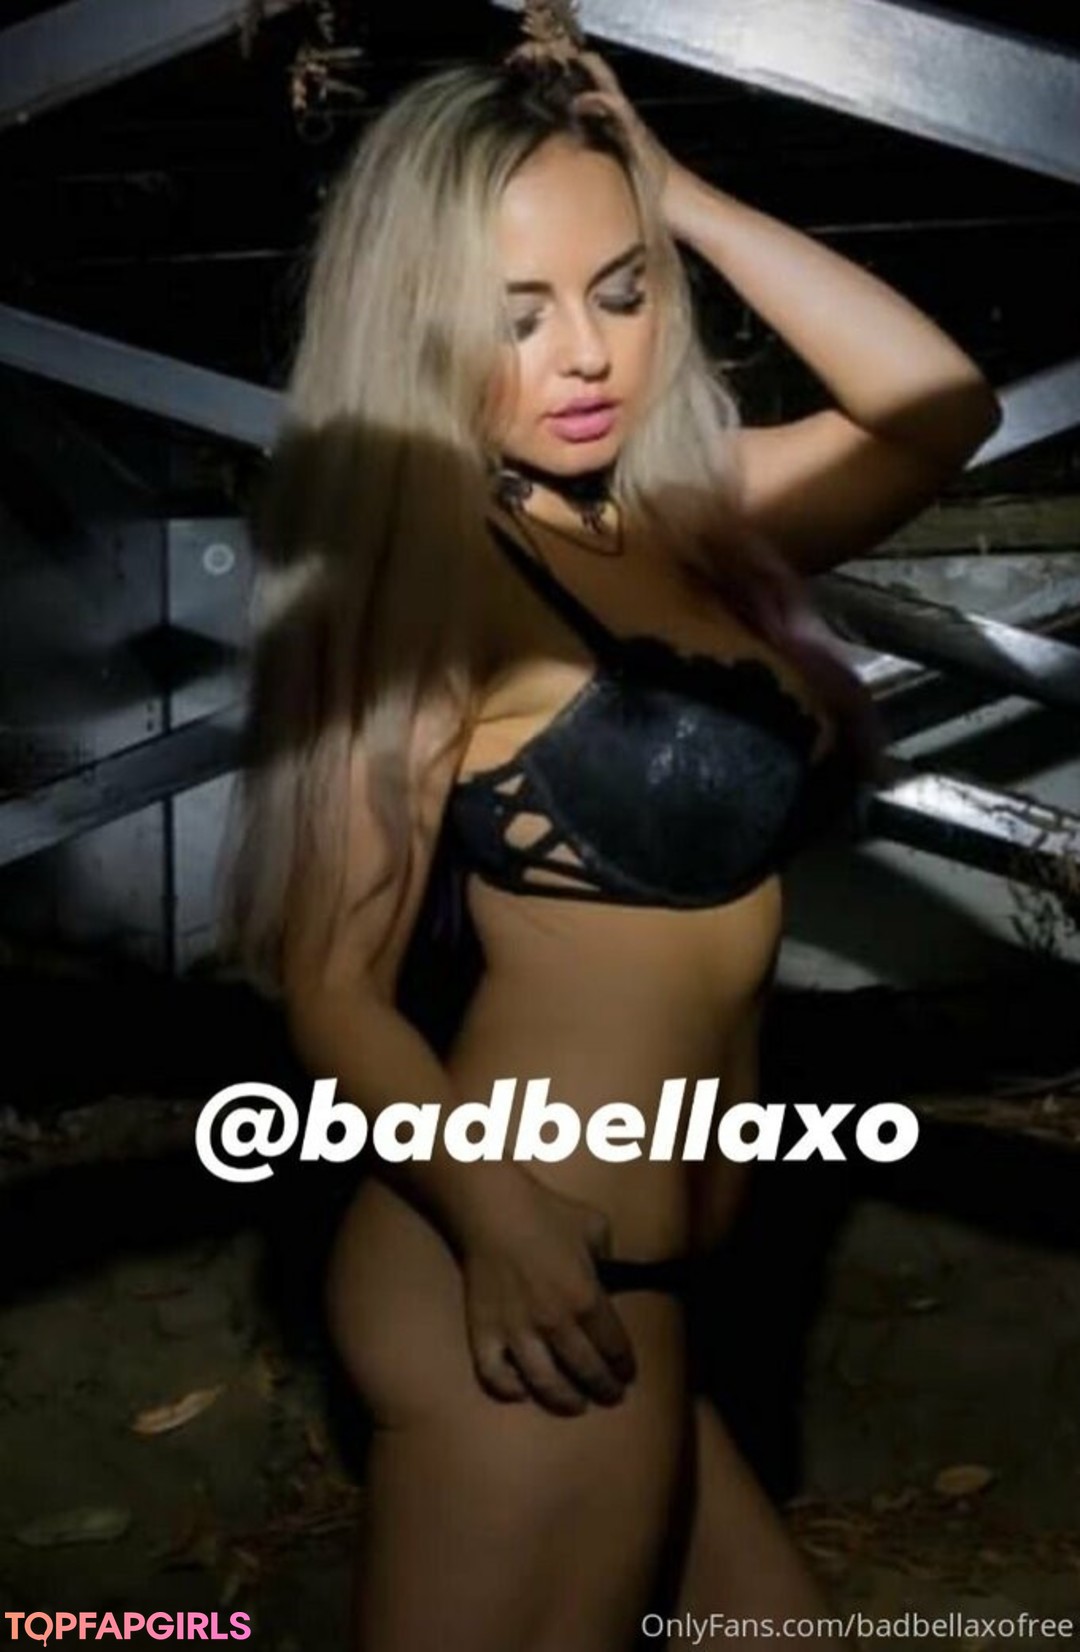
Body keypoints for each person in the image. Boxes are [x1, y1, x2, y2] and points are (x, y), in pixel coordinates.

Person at [216, 17, 1001, 1651]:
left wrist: (679, 193)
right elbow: (332, 987)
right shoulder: (428, 580)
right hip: (527, 1280)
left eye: (620, 293)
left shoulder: (678, 522)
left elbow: (938, 408)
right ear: (420, 323)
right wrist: (500, 1224)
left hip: (632, 1287)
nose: (584, 356)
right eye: (517, 316)